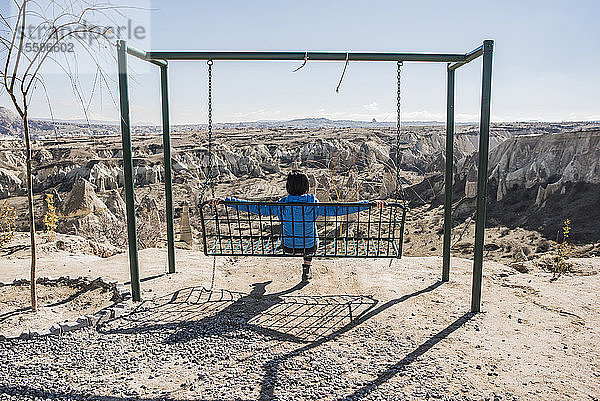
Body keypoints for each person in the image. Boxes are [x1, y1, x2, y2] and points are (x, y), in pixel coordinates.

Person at [210, 170, 386, 282]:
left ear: (287, 188)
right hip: (309, 246)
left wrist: (227, 201)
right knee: (312, 239)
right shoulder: (313, 204)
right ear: (307, 187)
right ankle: (306, 268)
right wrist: (368, 204)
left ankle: (302, 267)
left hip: (288, 247)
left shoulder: (282, 204)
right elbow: (339, 209)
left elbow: (254, 207)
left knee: (291, 234)